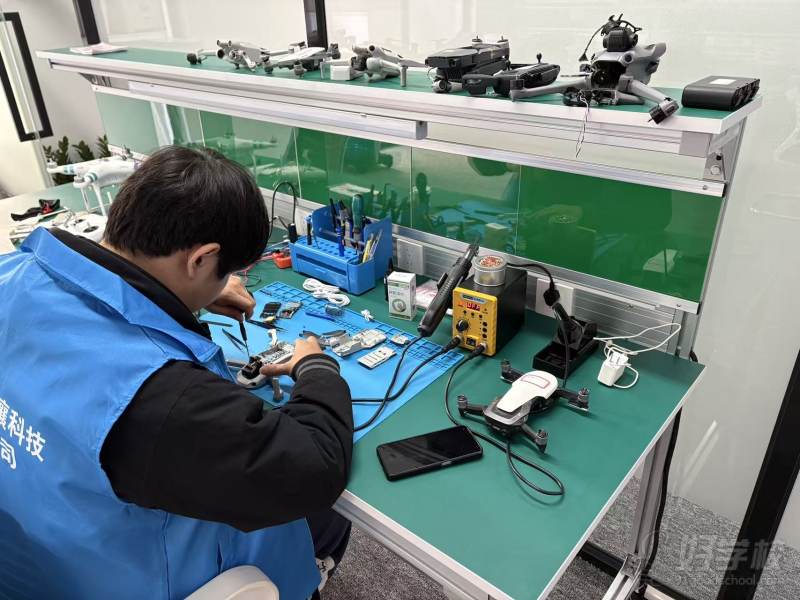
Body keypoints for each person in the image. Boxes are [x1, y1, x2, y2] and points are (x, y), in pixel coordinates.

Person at [0, 146, 353, 600]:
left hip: (40, 555)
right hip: (146, 575)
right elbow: (316, 466)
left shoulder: (11, 274)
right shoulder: (160, 397)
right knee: (328, 521)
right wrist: (316, 366)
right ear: (200, 259)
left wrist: (180, 298)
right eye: (223, 271)